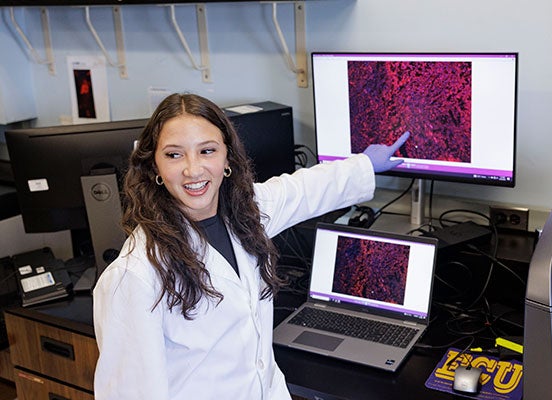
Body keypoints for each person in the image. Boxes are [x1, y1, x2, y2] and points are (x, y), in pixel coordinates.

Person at [93, 93, 410, 400]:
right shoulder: (134, 276)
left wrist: (365, 164)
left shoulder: (245, 213)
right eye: (174, 154)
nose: (193, 169)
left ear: (227, 157)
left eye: (207, 151)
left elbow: (301, 190)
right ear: (155, 166)